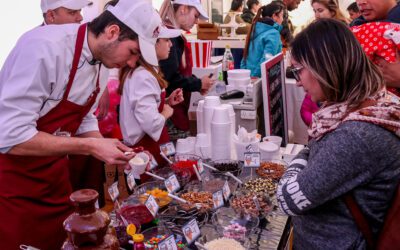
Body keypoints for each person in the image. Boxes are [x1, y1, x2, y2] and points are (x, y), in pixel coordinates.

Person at [0, 0, 160, 248]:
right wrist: (90, 147)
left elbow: (84, 114)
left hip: (54, 180)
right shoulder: (44, 48)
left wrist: (108, 147)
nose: (132, 63)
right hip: (16, 185)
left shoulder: (102, 63)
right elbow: (10, 136)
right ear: (112, 32)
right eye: (133, 52)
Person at [277, 19, 400, 249]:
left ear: (323, 66)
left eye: (298, 70)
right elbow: (313, 149)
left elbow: (287, 198)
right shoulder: (366, 106)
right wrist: (308, 155)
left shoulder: (357, 135)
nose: (297, 82)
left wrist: (297, 164)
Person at [119, 12, 184, 173]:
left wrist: (166, 102)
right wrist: (166, 113)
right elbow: (151, 123)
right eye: (167, 40)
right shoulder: (142, 76)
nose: (170, 45)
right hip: (143, 149)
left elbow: (144, 109)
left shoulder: (148, 72)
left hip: (154, 146)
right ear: (152, 44)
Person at [159, 0, 214, 140]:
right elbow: (170, 78)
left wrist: (197, 82)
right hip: (172, 114)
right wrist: (198, 84)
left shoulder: (173, 35)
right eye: (195, 16)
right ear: (183, 9)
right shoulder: (169, 37)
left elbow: (177, 72)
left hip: (175, 109)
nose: (196, 22)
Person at [241, 2, 284, 77]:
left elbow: (244, 58)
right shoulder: (273, 34)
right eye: (282, 16)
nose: (282, 19)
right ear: (274, 16)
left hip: (248, 78)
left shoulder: (254, 29)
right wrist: (254, 77)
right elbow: (267, 60)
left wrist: (245, 76)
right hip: (261, 81)